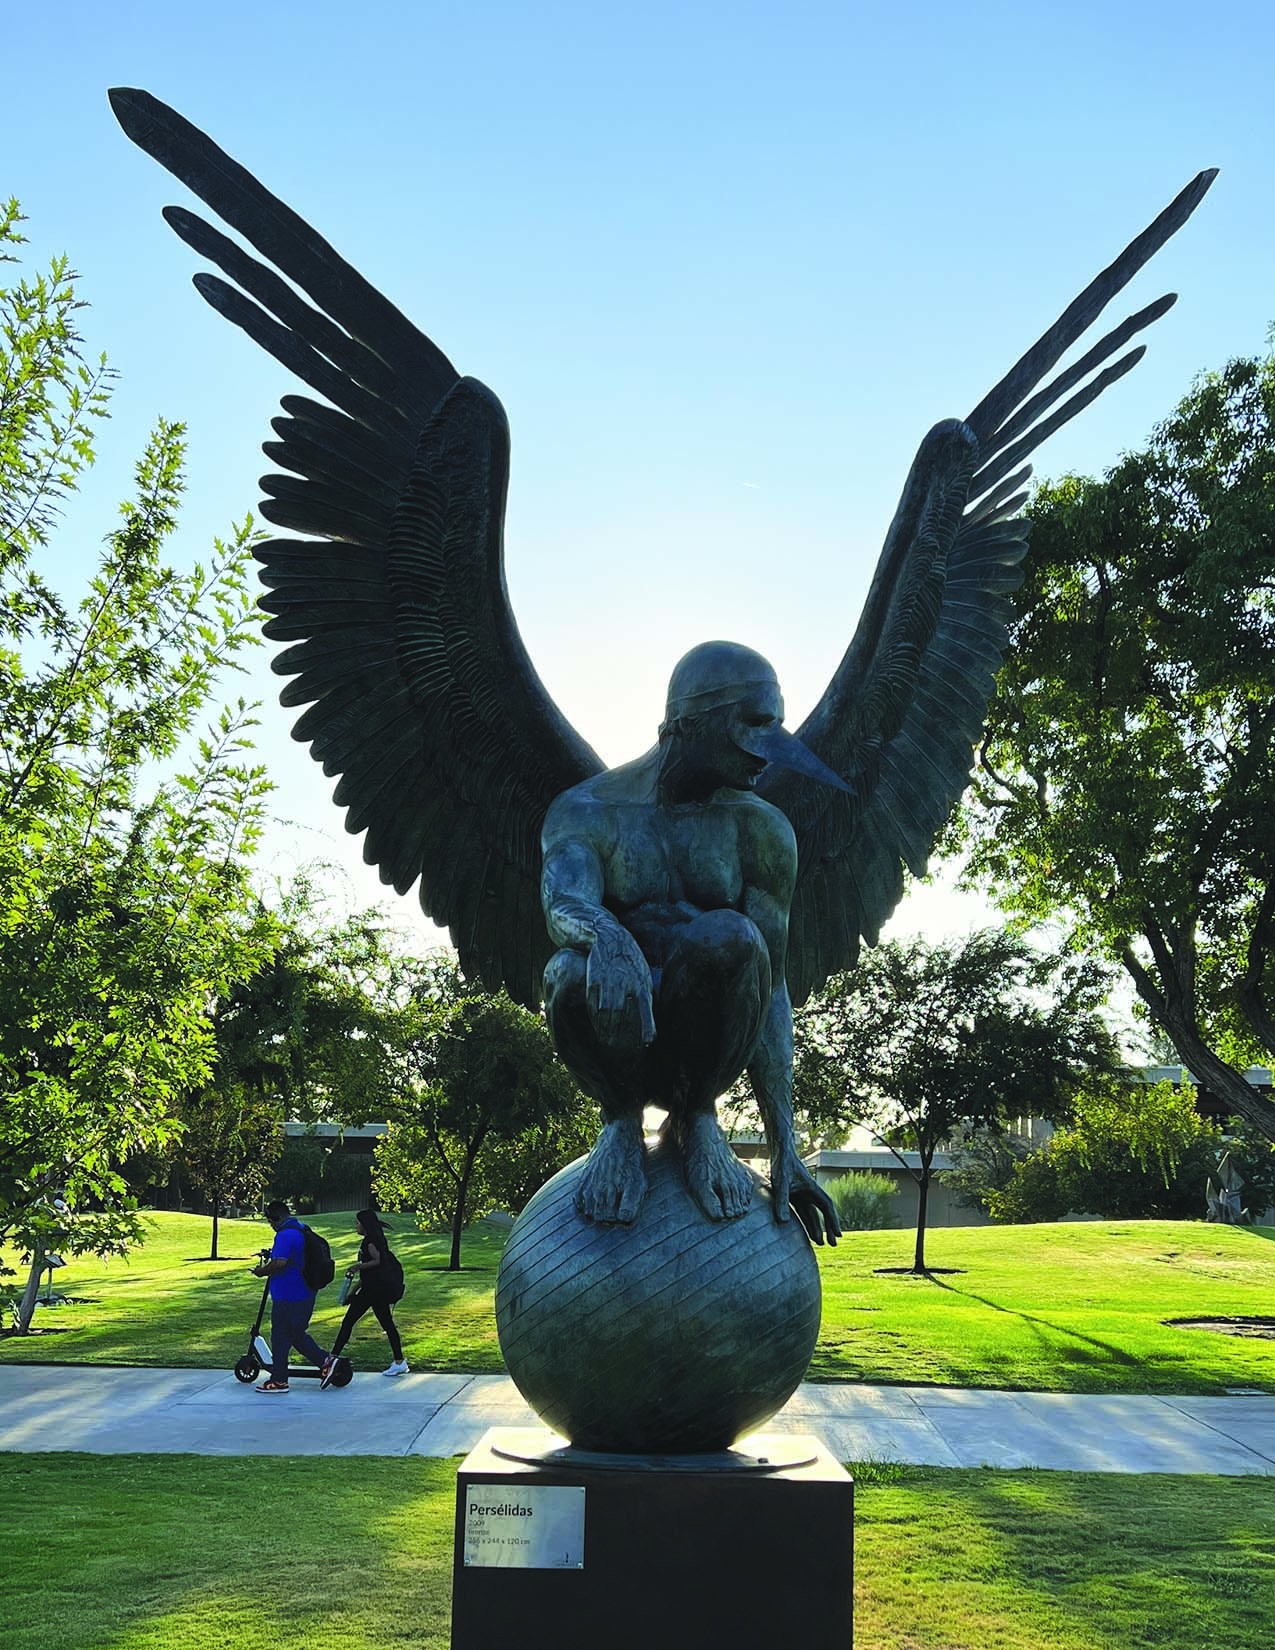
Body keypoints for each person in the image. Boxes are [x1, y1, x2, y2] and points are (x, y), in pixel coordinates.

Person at [540, 640, 843, 1243]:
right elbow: (562, 903)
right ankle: (619, 1122)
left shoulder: (761, 830)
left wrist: (787, 1145)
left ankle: (699, 1119)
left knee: (730, 935)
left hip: (704, 1046)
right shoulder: (589, 809)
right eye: (756, 724)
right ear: (694, 723)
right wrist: (608, 933)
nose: (773, 748)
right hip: (611, 1031)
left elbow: (772, 987)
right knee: (567, 970)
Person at [250, 1198, 332, 1394]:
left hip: (290, 1296)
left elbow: (280, 1263)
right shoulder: (301, 1229)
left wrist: (262, 1271)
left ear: (277, 1218)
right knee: (291, 1335)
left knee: (281, 1336)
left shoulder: (285, 1235)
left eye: (271, 1221)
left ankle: (280, 1380)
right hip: (303, 1292)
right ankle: (324, 1362)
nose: (271, 1225)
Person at [322, 1209, 408, 1383]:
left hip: (373, 1292)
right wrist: (352, 1293)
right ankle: (399, 1361)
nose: (355, 1226)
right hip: (374, 1290)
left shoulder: (370, 1243)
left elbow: (377, 1261)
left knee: (348, 1322)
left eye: (357, 1223)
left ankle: (331, 1358)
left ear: (365, 1225)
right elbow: (368, 1275)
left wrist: (356, 1267)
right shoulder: (375, 1241)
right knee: (387, 1325)